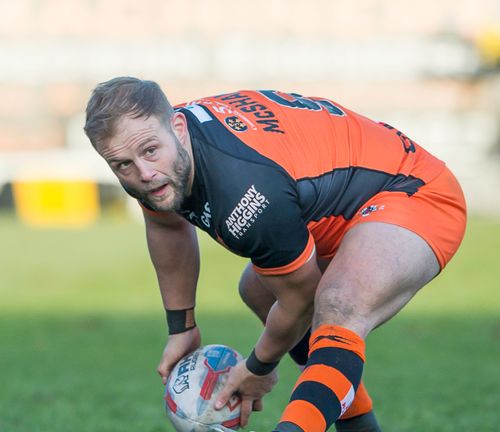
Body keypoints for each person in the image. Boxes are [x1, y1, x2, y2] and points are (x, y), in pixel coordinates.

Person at [83, 77, 467, 432]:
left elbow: (301, 300)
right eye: (122, 165)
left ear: (179, 129)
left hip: (414, 190)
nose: (144, 174)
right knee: (259, 290)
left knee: (337, 305)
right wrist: (182, 327)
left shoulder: (242, 191)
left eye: (150, 153)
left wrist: (259, 367)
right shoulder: (155, 143)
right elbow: (166, 223)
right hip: (338, 205)